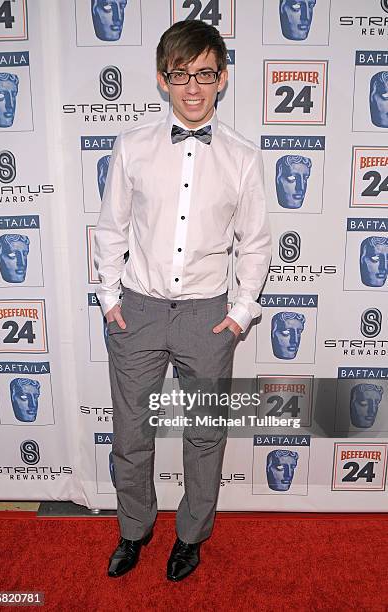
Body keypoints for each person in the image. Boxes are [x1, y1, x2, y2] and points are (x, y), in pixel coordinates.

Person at [94, 19, 271, 581]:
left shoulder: (242, 156)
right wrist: (108, 298)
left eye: (204, 74)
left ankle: (191, 537)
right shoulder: (133, 146)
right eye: (180, 74)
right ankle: (134, 530)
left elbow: (256, 243)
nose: (192, 87)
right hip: (138, 313)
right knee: (131, 433)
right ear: (161, 78)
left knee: (203, 436)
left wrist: (240, 313)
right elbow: (110, 230)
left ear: (222, 79)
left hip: (207, 318)